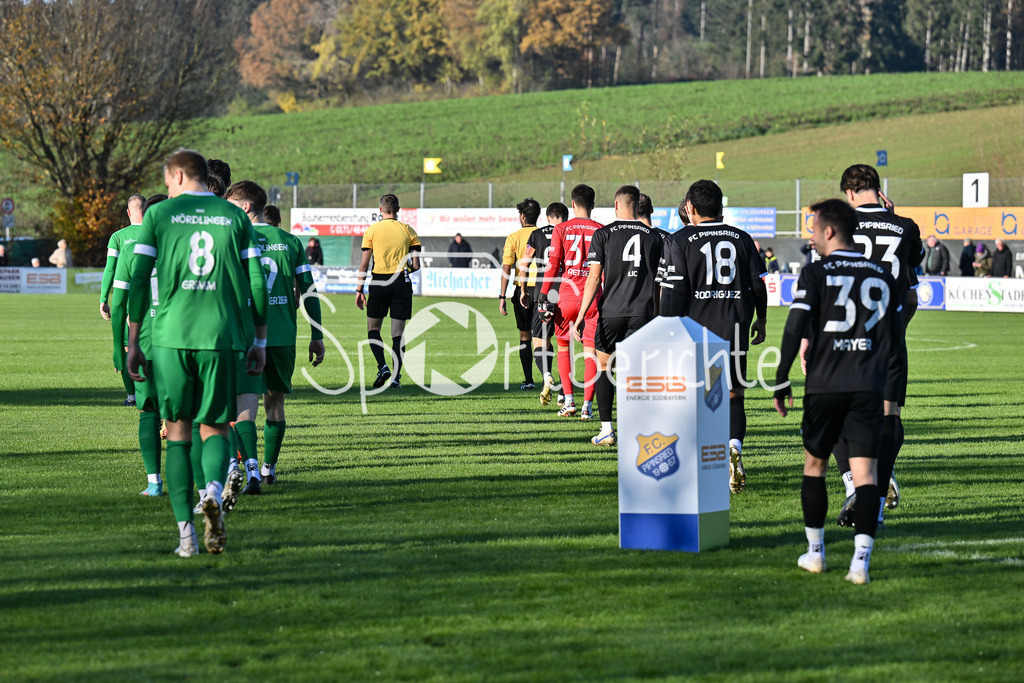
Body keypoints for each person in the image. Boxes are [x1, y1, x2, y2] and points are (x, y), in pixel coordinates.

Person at [126, 148, 269, 558]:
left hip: (171, 336)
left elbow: (138, 281)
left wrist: (135, 340)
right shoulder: (235, 217)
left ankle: (186, 536)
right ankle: (211, 491)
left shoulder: (159, 216)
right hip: (220, 335)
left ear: (176, 176)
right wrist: (258, 340)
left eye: (167, 180)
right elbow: (256, 283)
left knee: (177, 433)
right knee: (216, 428)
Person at [774, 198, 903, 585]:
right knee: (866, 475)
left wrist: (781, 377)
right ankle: (860, 562)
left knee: (815, 466)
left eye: (814, 228)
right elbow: (894, 341)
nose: (811, 235)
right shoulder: (882, 273)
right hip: (868, 387)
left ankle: (815, 553)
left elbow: (795, 326)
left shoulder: (815, 273)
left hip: (825, 385)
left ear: (829, 231)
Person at [659, 180, 767, 493]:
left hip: (694, 331)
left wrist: (665, 333)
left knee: (694, 399)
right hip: (734, 328)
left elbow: (674, 291)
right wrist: (761, 319)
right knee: (733, 395)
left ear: (690, 207)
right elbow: (757, 285)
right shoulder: (742, 239)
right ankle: (733, 446)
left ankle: (702, 465)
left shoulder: (678, 240)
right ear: (721, 208)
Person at [833, 164, 922, 529]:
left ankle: (855, 485)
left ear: (849, 193)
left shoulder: (837, 224)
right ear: (878, 189)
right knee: (889, 416)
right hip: (888, 338)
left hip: (844, 337)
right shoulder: (906, 227)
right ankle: (878, 504)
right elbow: (911, 287)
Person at [225, 180, 325, 497]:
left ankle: (240, 467)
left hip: (244, 335)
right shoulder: (290, 242)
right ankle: (268, 469)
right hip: (281, 335)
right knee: (275, 403)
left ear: (245, 207)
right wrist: (317, 335)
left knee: (238, 404)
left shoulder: (234, 238)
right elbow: (308, 291)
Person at [573, 185, 663, 446]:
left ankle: (606, 430)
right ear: (637, 205)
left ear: (615, 205)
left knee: (604, 367)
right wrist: (657, 314)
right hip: (642, 314)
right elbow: (658, 282)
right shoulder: (654, 237)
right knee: (636, 373)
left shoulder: (603, 234)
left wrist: (580, 315)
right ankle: (638, 431)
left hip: (611, 312)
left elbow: (593, 278)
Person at [110, 193, 167, 497]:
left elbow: (118, 303)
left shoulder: (134, 250)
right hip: (183, 342)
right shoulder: (184, 248)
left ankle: (154, 483)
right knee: (191, 418)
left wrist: (121, 346)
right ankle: (204, 491)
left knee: (148, 411)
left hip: (145, 342)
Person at [538, 184, 603, 419]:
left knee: (563, 347)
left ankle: (569, 400)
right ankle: (588, 406)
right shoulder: (601, 229)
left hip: (566, 294)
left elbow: (553, 265)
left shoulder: (562, 229)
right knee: (590, 352)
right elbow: (603, 271)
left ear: (572, 204)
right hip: (592, 296)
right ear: (593, 205)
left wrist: (544, 294)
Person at [355, 194, 421, 389]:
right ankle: (395, 377)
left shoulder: (372, 230)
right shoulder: (408, 230)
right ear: (398, 209)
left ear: (380, 210)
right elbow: (416, 265)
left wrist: (359, 289)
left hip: (379, 282)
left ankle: (382, 366)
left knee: (373, 329)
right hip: (401, 281)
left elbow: (364, 265)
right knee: (397, 334)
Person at [100, 194, 146, 406]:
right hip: (155, 299)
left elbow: (110, 268)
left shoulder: (118, 236)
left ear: (128, 212)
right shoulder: (157, 233)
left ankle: (132, 395)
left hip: (126, 299)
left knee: (128, 348)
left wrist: (103, 298)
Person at [519, 202, 566, 406]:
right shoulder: (568, 232)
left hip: (543, 292)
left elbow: (524, 263)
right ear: (565, 216)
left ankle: (546, 374)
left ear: (547, 218)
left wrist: (523, 289)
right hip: (566, 291)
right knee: (565, 343)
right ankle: (565, 392)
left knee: (540, 341)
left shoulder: (536, 235)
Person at [501, 199, 540, 389]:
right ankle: (547, 377)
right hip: (543, 289)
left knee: (525, 336)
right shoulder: (545, 235)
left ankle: (529, 380)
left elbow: (507, 268)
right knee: (544, 336)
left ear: (522, 216)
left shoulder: (513, 237)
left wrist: (502, 296)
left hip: (523, 290)